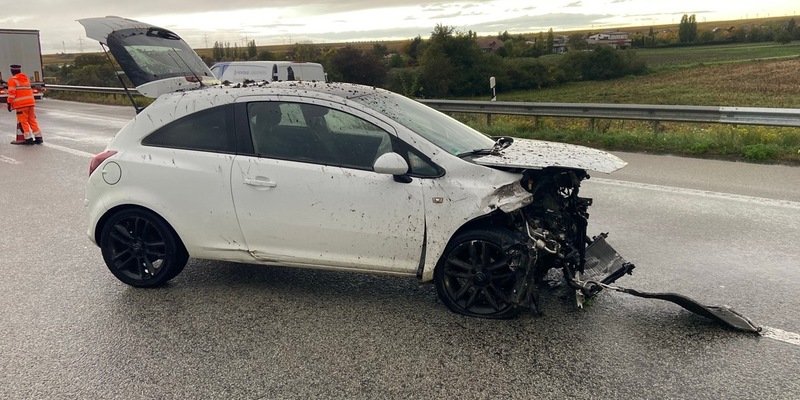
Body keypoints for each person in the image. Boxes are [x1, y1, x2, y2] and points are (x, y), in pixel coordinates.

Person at [7, 64, 42, 145]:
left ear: (12, 71)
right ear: (19, 71)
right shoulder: (25, 79)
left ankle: (28, 139)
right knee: (32, 120)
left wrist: (9, 103)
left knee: (23, 121)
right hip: (30, 103)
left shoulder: (12, 80)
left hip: (21, 105)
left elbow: (12, 93)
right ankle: (39, 137)